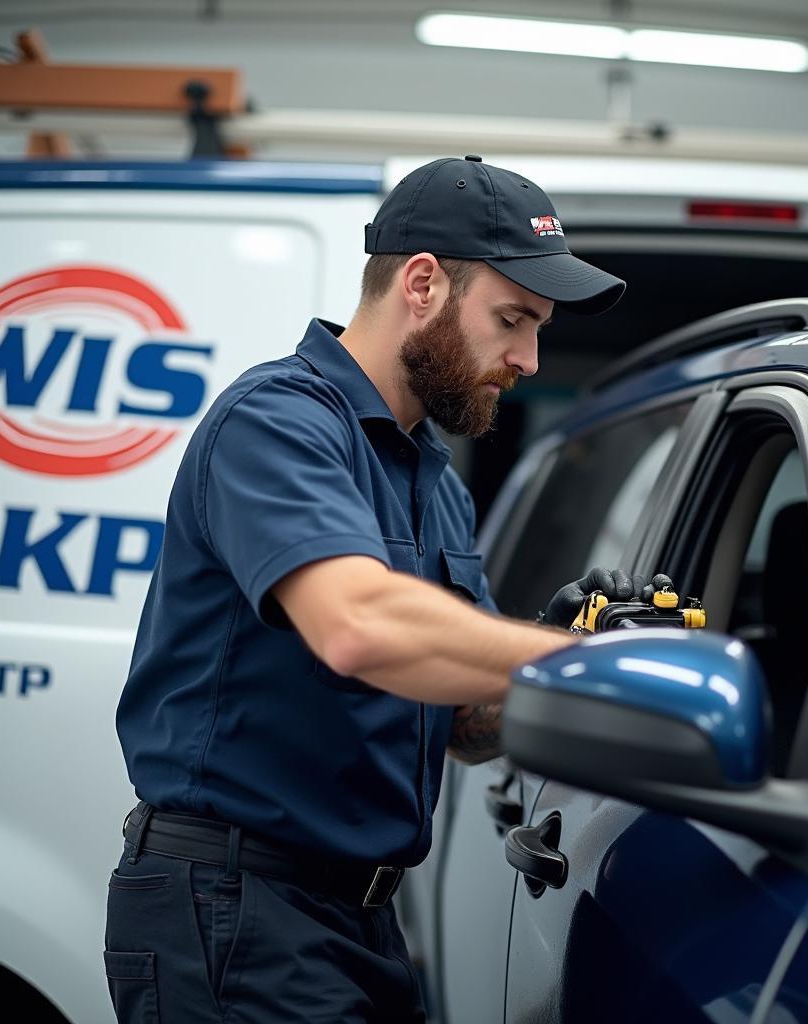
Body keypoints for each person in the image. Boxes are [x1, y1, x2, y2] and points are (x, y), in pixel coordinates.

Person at [104, 155, 653, 1023]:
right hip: (236, 907)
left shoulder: (435, 480)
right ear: (424, 283)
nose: (528, 358)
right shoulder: (277, 422)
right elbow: (358, 627)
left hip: (357, 918)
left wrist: (536, 662)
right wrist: (587, 663)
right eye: (513, 319)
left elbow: (461, 732)